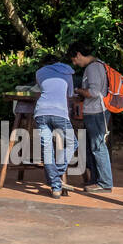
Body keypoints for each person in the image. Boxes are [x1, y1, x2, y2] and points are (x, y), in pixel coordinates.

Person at [69, 43, 113, 193]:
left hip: (96, 112)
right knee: (90, 147)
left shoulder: (93, 68)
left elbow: (94, 92)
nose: (75, 63)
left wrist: (78, 90)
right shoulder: (99, 65)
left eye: (74, 60)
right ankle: (96, 180)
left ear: (79, 54)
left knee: (98, 147)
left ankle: (105, 182)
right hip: (96, 112)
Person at [32, 52, 76, 199]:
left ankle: (55, 186)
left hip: (41, 112)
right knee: (73, 143)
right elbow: (69, 94)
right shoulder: (68, 71)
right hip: (60, 113)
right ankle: (57, 177)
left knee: (47, 148)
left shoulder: (39, 72)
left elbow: (42, 88)